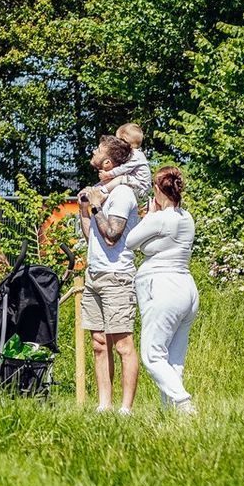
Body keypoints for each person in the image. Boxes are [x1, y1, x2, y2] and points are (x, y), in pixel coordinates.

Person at [78, 135, 141, 415]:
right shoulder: (100, 191)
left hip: (117, 276)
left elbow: (113, 236)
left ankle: (125, 409)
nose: (92, 151)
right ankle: (104, 405)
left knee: (122, 345)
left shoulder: (123, 194)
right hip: (95, 274)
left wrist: (96, 206)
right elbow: (91, 235)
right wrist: (84, 209)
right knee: (99, 342)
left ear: (107, 161)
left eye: (97, 150)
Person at [128, 165, 198, 415]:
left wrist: (149, 216)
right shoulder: (186, 217)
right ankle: (171, 413)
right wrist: (151, 244)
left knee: (152, 355)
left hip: (162, 286)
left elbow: (131, 241)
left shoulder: (158, 218)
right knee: (174, 359)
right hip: (187, 288)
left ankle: (183, 402)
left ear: (158, 189)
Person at [102, 122, 153, 197]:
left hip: (141, 188)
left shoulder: (135, 155)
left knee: (120, 178)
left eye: (118, 141)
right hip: (137, 185)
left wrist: (109, 174)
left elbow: (124, 168)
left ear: (124, 140)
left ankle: (102, 191)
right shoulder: (134, 154)